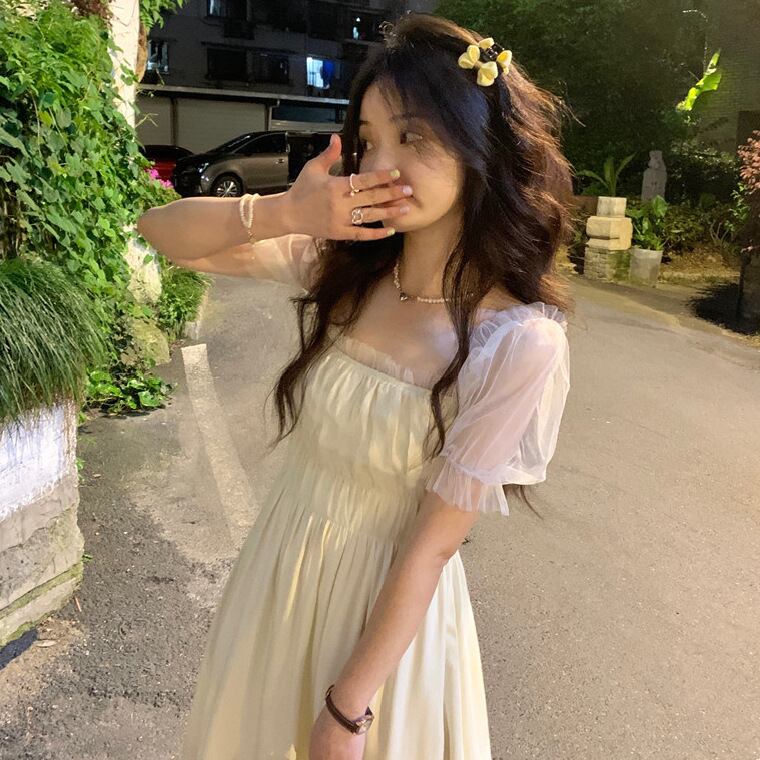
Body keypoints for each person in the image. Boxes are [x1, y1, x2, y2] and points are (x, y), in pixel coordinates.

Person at [137, 12, 573, 760]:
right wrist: (285, 210)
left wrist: (347, 710)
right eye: (369, 141)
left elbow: (430, 549)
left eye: (414, 138)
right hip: (279, 577)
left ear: (479, 150)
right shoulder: (341, 268)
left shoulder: (515, 342)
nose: (382, 164)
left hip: (384, 636)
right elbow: (161, 231)